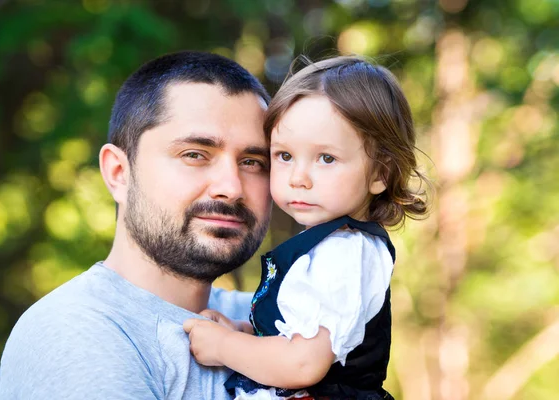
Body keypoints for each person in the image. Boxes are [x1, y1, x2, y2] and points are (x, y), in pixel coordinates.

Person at [0, 51, 274, 399]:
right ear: (119, 173)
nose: (231, 187)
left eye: (253, 161)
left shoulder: (273, 318)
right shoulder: (76, 333)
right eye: (194, 154)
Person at [183, 56, 431, 399]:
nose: (298, 178)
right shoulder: (325, 244)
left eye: (326, 158)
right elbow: (297, 341)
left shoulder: (345, 253)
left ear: (380, 174)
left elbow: (303, 364)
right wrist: (243, 332)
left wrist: (225, 346)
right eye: (284, 156)